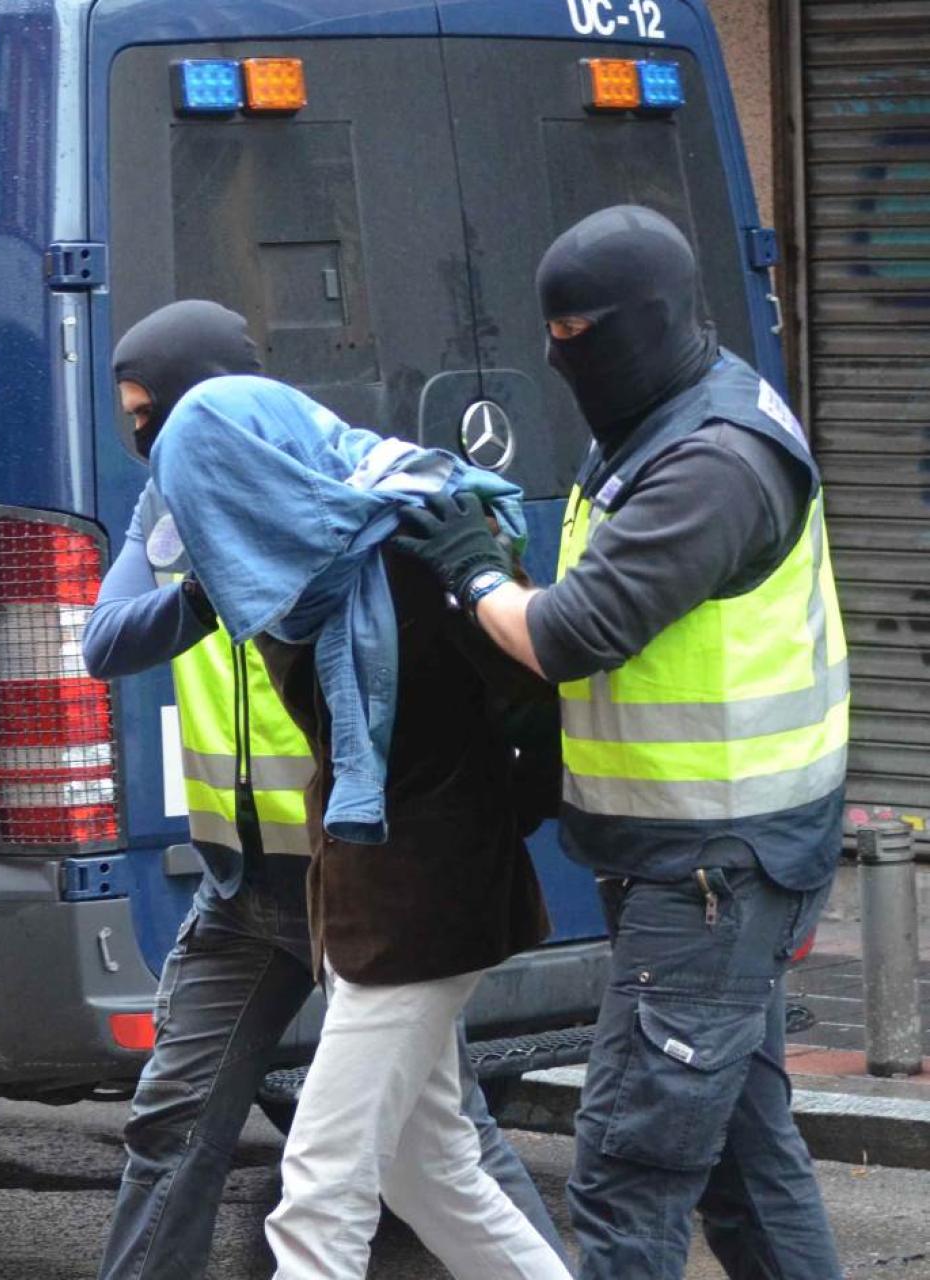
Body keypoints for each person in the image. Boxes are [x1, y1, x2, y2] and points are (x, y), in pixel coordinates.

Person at [390, 205, 848, 1279]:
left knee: (624, 1172)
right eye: (551, 334)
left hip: (717, 862)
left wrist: (470, 571)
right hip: (686, 852)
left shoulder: (712, 460)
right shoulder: (653, 415)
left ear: (646, 321)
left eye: (582, 333)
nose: (564, 357)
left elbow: (571, 631)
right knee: (740, 1159)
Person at [85, 300, 567, 1280]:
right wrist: (202, 581)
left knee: (319, 1188)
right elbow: (107, 638)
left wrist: (479, 586)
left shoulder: (399, 530)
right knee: (429, 1165)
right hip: (308, 886)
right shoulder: (272, 547)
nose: (142, 446)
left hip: (412, 895)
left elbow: (530, 681)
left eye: (149, 418)